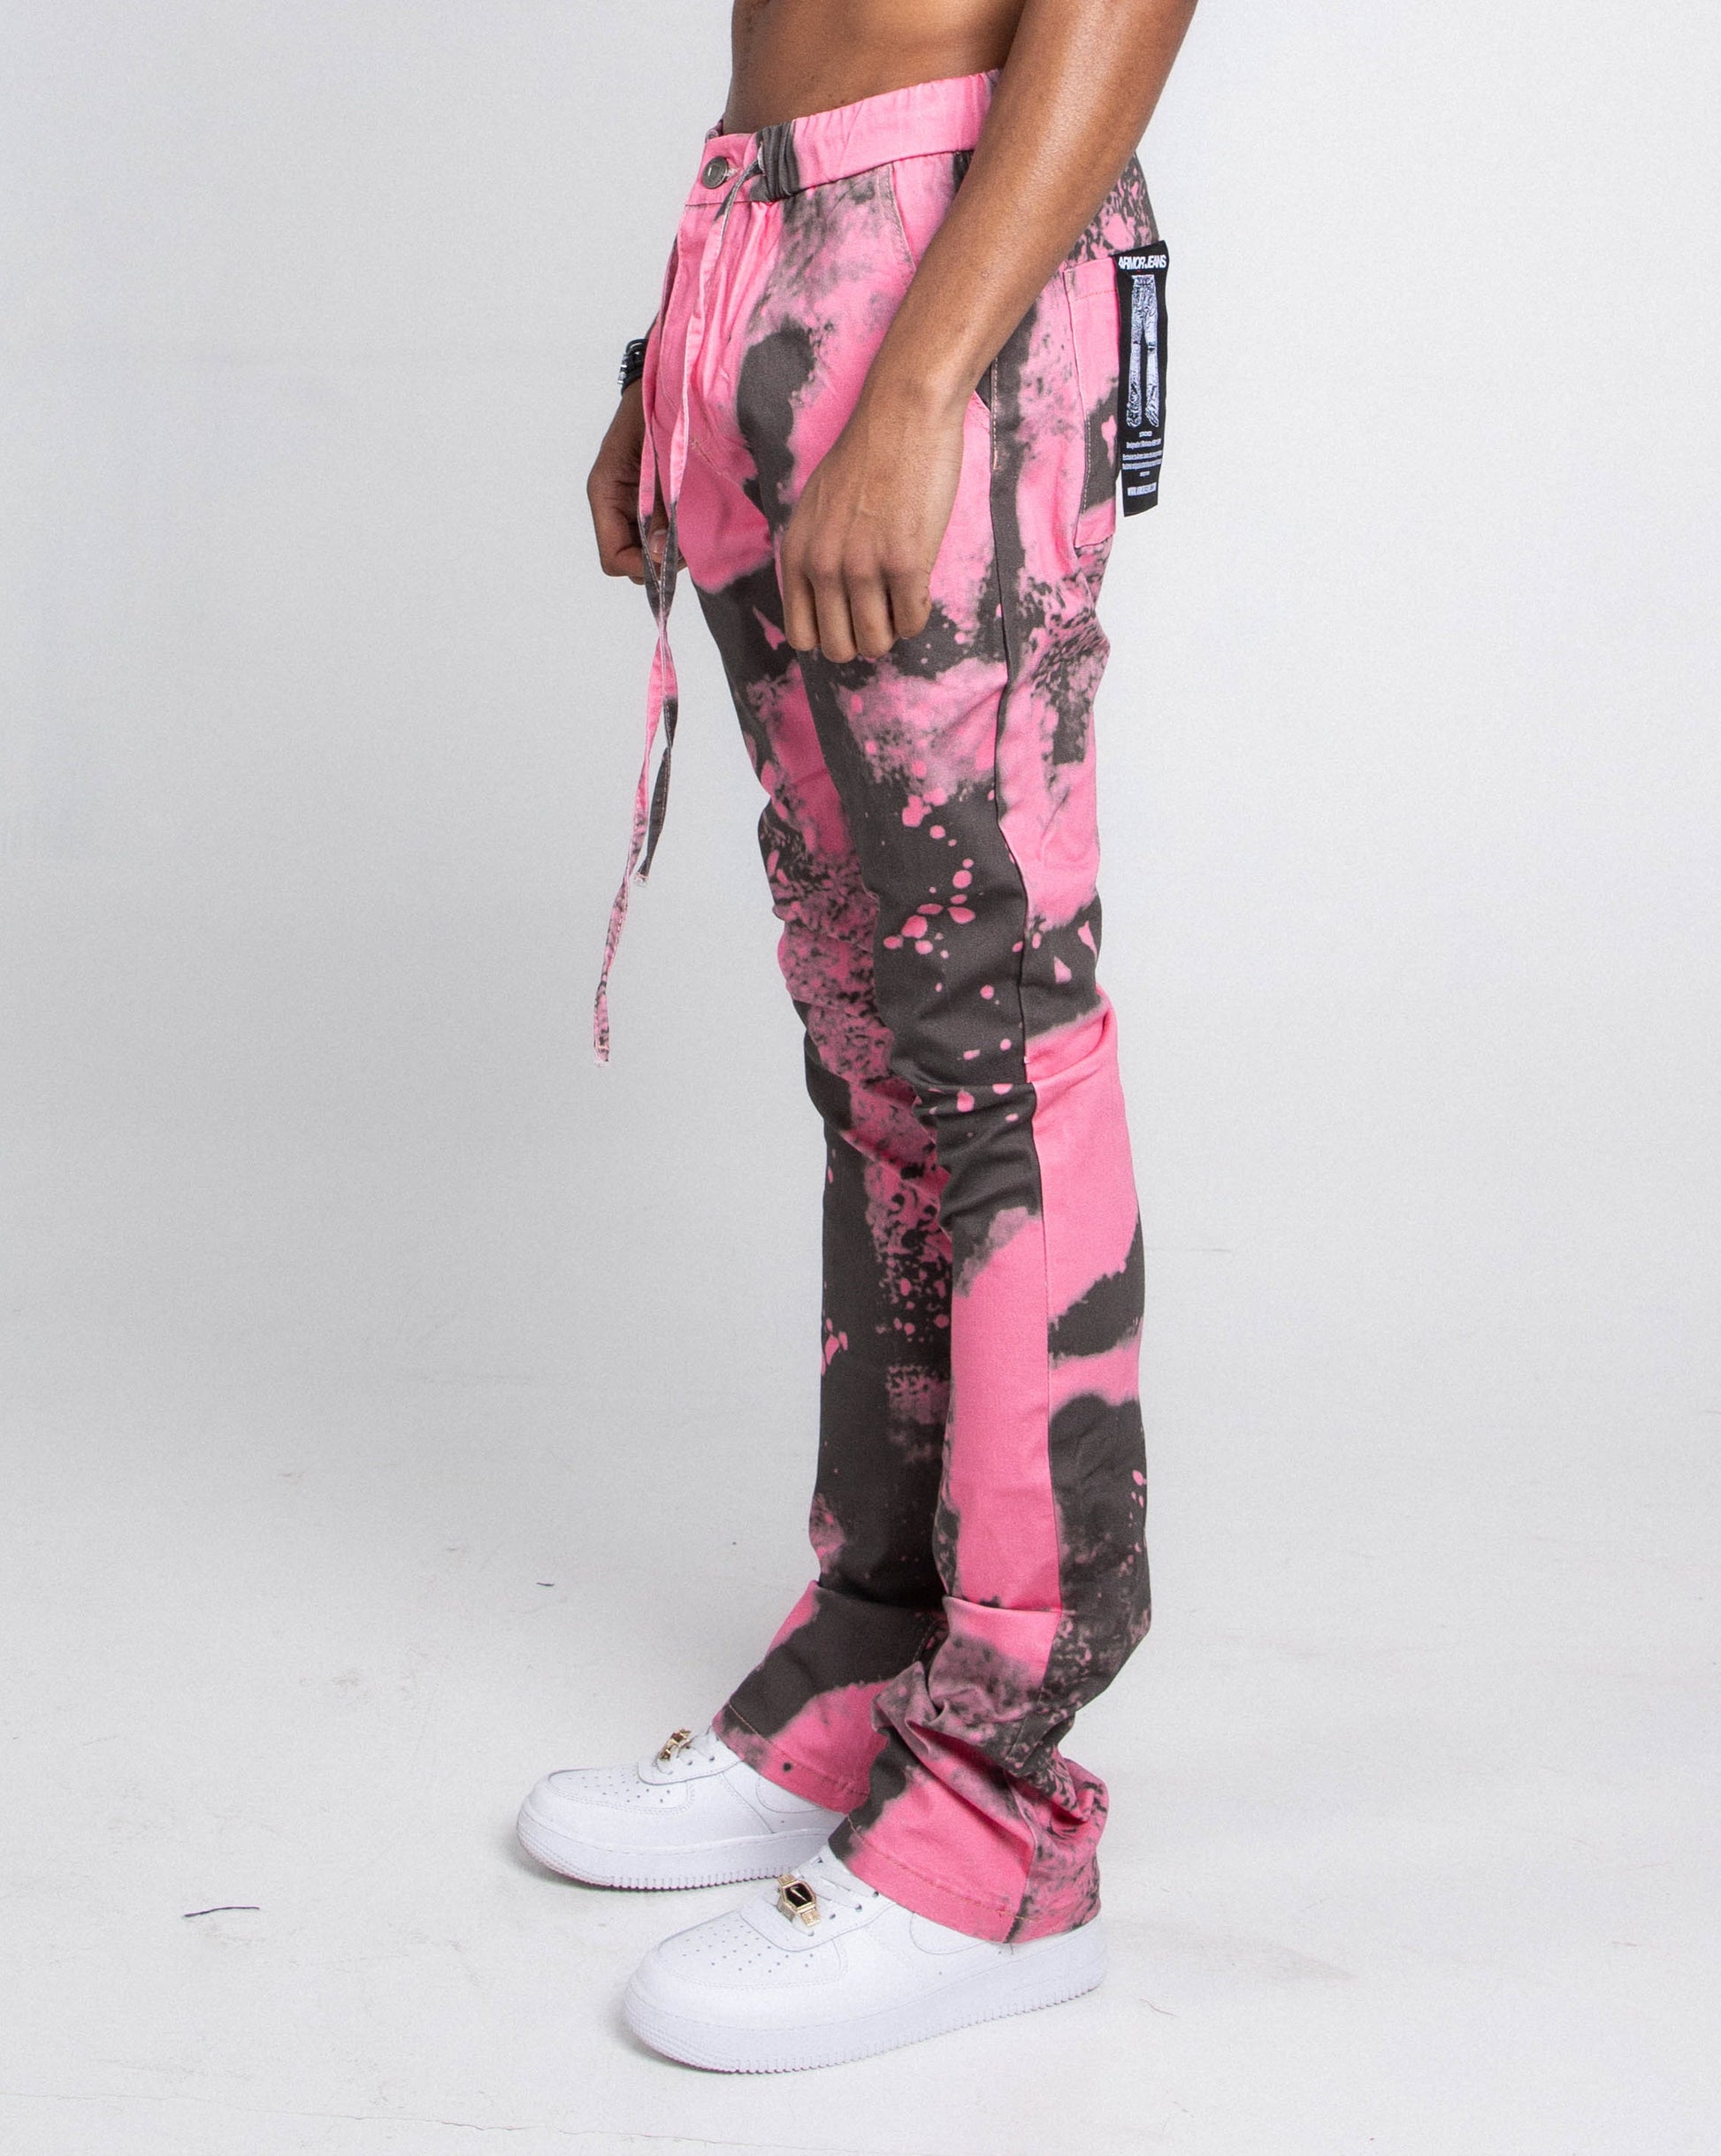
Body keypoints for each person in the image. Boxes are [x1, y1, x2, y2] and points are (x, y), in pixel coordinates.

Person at [518, 0, 1198, 2073]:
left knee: (988, 1031)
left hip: (952, 254)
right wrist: (695, 335)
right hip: (771, 228)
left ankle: (996, 1817)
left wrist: (919, 374)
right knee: (874, 1032)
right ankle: (877, 1660)